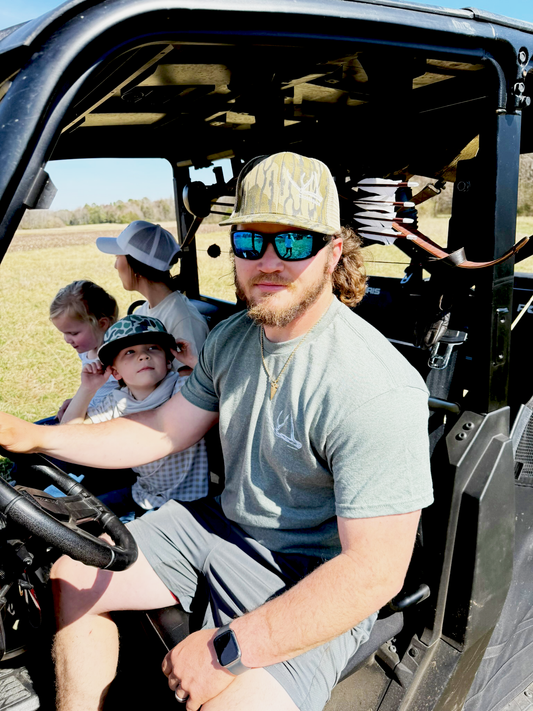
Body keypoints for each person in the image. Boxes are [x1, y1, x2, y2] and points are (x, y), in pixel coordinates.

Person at [0, 151, 433, 711]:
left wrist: (226, 650)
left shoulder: (375, 386)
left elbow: (373, 572)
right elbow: (162, 429)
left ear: (332, 253)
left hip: (314, 576)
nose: (268, 262)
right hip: (222, 526)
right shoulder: (231, 340)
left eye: (294, 243)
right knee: (74, 573)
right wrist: (34, 438)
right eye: (251, 242)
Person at [62, 314, 209, 519]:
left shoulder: (182, 388)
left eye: (152, 348)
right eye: (130, 352)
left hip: (187, 504)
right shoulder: (116, 401)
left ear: (168, 361)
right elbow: (69, 433)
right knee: (76, 518)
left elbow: (224, 387)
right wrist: (86, 389)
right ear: (115, 372)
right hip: (142, 493)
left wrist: (194, 361)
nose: (143, 356)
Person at [96, 220, 209, 363]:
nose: (115, 265)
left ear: (136, 266)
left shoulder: (183, 319)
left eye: (117, 257)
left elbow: (192, 380)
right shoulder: (142, 312)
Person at [50, 280, 120, 419]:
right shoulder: (88, 351)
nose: (67, 340)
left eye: (74, 333)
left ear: (102, 324)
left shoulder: (118, 356)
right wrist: (76, 401)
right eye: (64, 333)